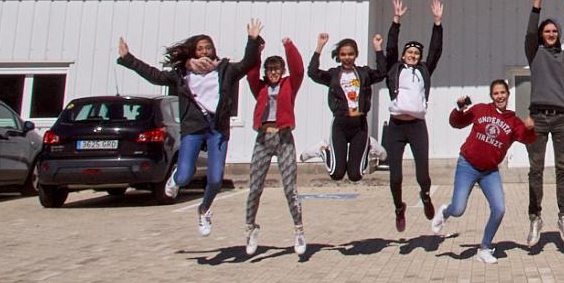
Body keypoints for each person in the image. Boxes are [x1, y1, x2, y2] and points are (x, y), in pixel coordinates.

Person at [116, 20, 262, 237]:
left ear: (214, 50)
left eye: (208, 47)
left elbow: (248, 62)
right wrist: (128, 59)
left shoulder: (225, 70)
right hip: (193, 127)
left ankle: (204, 209)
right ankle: (176, 178)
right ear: (193, 52)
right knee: (184, 177)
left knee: (214, 179)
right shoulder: (182, 74)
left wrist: (252, 40)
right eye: (200, 48)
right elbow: (154, 75)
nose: (204, 51)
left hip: (217, 128)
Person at [431, 81, 536, 264]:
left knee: (499, 209)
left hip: (489, 172)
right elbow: (456, 123)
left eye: (503, 92)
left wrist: (529, 128)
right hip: (468, 165)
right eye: (496, 93)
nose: (500, 96)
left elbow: (527, 139)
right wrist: (459, 109)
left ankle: (485, 248)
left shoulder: (513, 121)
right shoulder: (480, 110)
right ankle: (445, 212)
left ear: (507, 95)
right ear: (491, 96)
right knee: (458, 209)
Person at [523, 0, 564, 247]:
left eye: (554, 32)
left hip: (561, 120)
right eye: (547, 31)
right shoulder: (534, 53)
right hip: (538, 118)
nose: (550, 34)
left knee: (562, 168)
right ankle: (535, 218)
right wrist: (537, 3)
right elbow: (530, 33)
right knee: (535, 170)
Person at [380, 0, 444, 233]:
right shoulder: (395, 69)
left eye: (417, 53)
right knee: (395, 176)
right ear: (404, 55)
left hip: (417, 126)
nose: (413, 55)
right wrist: (396, 21)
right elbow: (390, 48)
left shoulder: (424, 71)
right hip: (397, 126)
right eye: (410, 52)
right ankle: (399, 208)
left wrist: (437, 23)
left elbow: (436, 51)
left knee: (422, 174)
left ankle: (426, 196)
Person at [243, 35, 306, 255]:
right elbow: (251, 71)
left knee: (290, 188)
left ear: (282, 70)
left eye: (277, 68)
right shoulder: (259, 88)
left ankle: (298, 230)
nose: (273, 72)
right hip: (263, 138)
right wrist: (256, 49)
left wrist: (289, 46)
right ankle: (251, 228)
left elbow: (298, 69)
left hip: (284, 138)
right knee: (255, 188)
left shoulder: (289, 85)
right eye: (270, 69)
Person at [309, 30, 386, 182]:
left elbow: (382, 73)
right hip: (341, 124)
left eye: (350, 54)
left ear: (356, 55)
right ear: (339, 56)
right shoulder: (333, 75)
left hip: (359, 125)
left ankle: (369, 146)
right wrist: (319, 47)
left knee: (355, 176)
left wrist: (378, 48)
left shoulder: (364, 73)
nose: (347, 58)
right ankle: (322, 150)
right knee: (337, 174)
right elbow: (313, 73)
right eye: (343, 54)